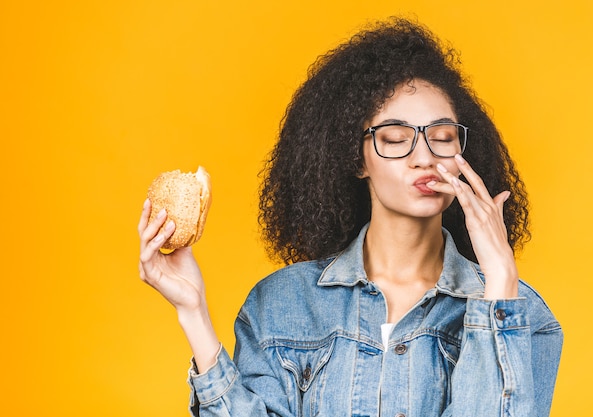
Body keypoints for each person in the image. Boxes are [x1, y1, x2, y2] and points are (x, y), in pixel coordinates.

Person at [138, 17, 563, 417]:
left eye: (442, 137)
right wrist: (193, 312)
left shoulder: (528, 318)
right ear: (355, 158)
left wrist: (501, 284)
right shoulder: (281, 305)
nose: (424, 157)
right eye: (395, 138)